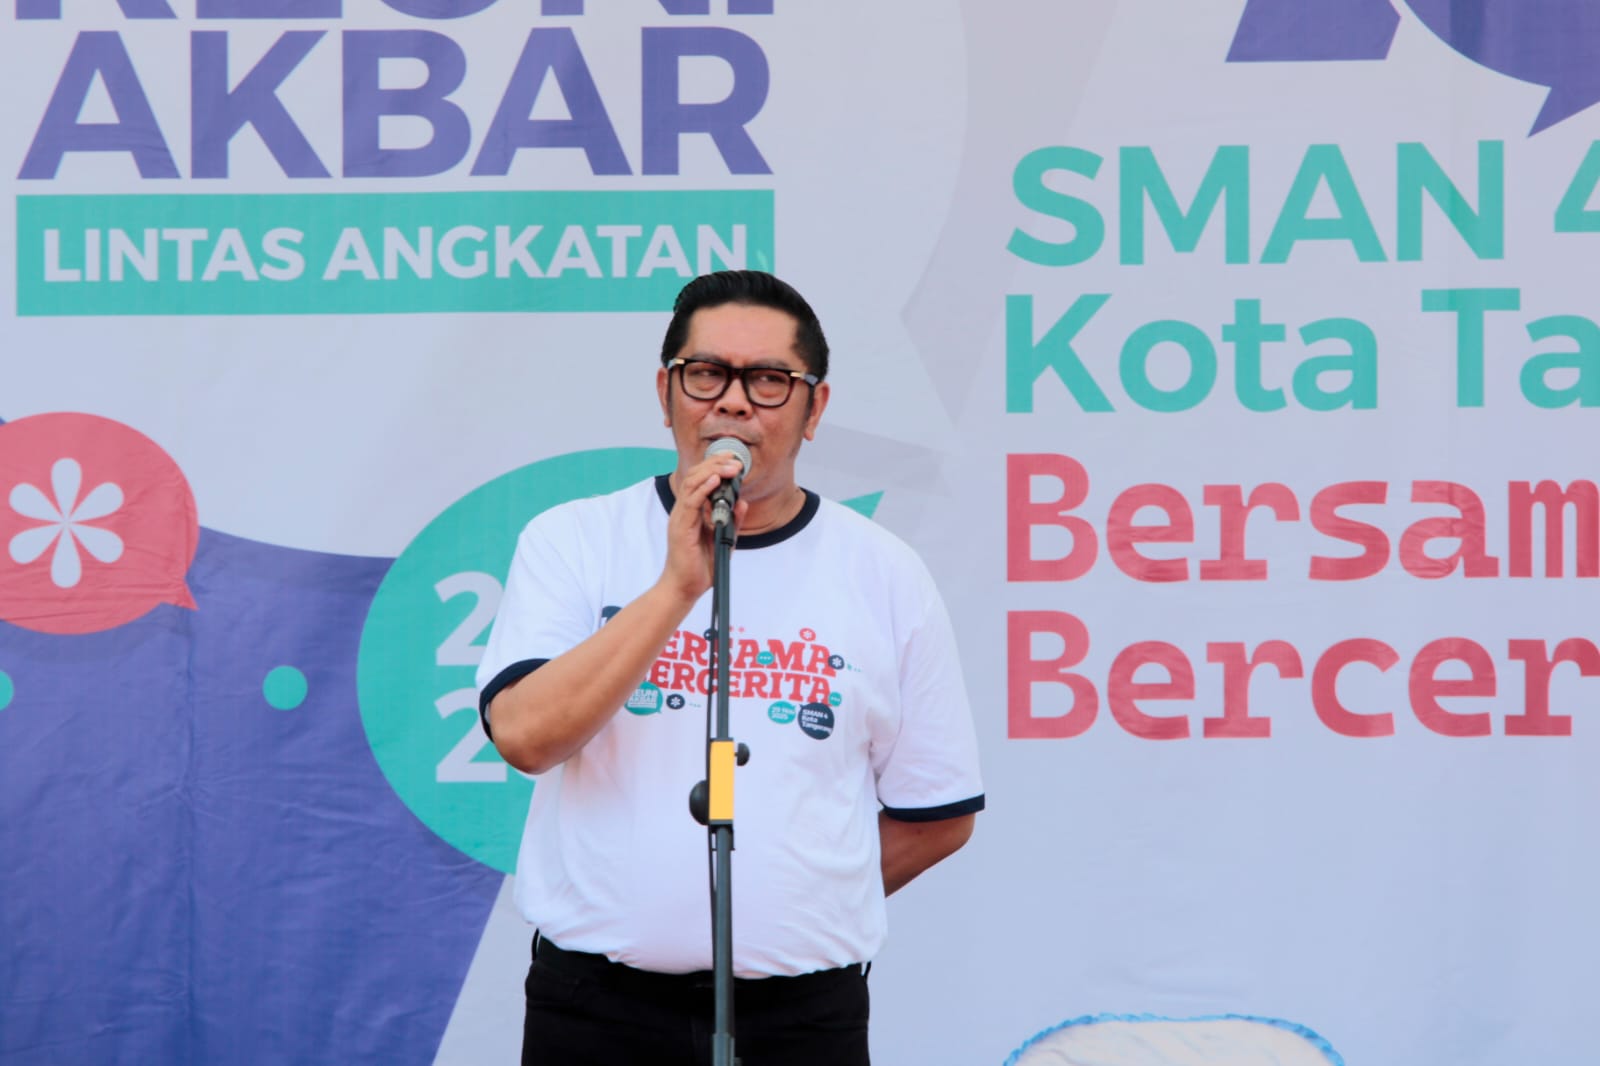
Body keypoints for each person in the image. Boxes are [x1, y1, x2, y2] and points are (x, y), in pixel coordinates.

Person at [475, 270, 984, 1065]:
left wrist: (804, 895)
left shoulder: (883, 572)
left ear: (815, 408)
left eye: (770, 381)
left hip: (802, 1019)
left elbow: (939, 814)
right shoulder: (574, 540)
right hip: (597, 1011)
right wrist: (676, 588)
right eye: (707, 374)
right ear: (666, 393)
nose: (735, 403)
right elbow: (525, 736)